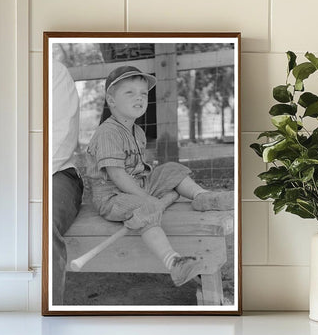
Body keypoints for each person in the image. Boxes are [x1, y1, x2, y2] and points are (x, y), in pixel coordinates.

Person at [86, 65, 233, 287]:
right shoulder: (108, 133)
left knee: (171, 169)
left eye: (143, 94)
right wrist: (146, 198)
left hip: (137, 184)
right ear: (111, 100)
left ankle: (202, 196)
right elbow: (116, 175)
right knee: (145, 207)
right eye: (130, 93)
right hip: (112, 196)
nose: (139, 98)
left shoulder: (137, 131)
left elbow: (138, 170)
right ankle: (174, 262)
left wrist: (151, 189)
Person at [52, 59, 83, 305]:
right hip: (15, 176)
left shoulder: (54, 72)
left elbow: (61, 139)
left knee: (42, 225)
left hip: (56, 172)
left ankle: (47, 316)